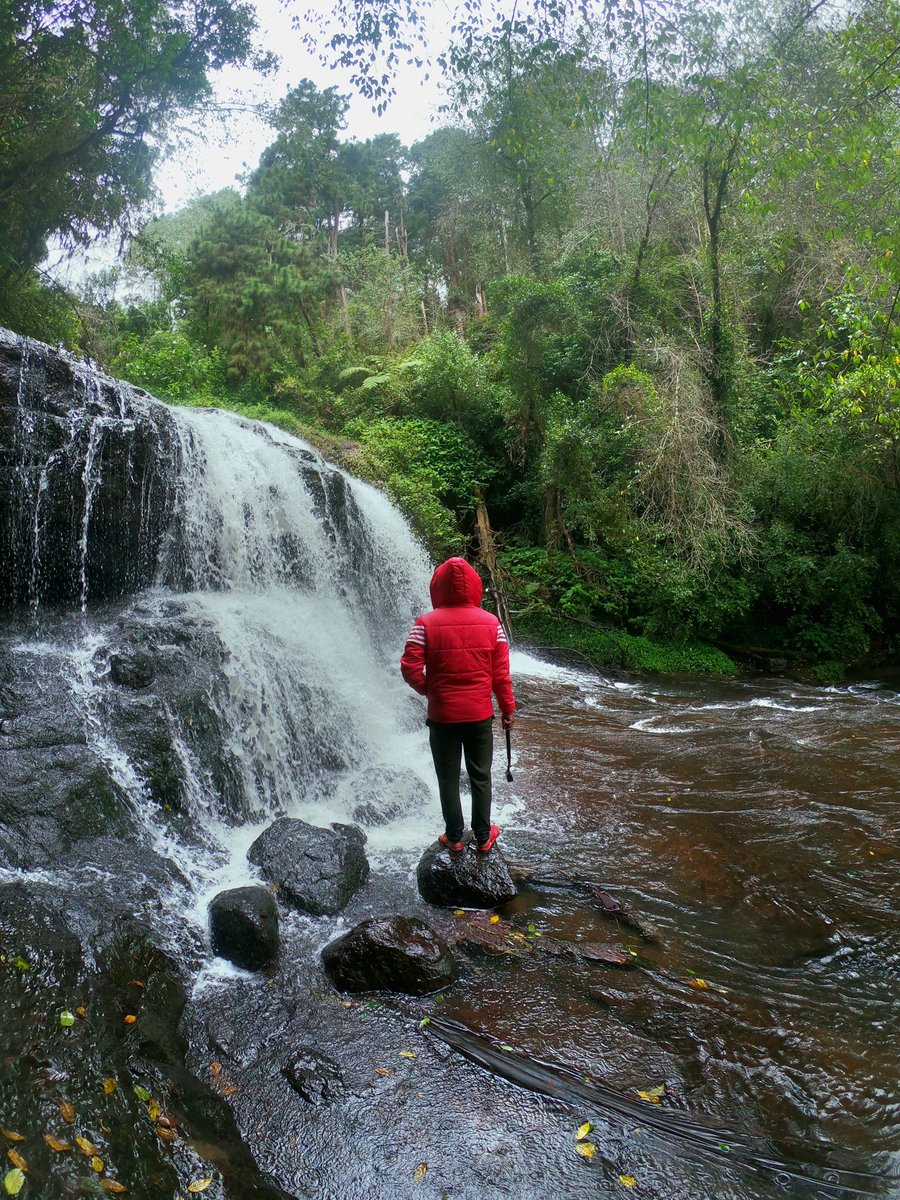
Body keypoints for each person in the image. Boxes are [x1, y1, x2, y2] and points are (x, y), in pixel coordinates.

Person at [400, 556, 515, 854]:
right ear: (475, 587)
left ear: (437, 587)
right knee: (481, 776)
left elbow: (410, 668)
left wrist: (431, 691)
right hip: (479, 715)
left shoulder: (424, 624)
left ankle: (454, 838)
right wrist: (507, 709)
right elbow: (501, 675)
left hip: (442, 716)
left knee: (448, 777)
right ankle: (482, 836)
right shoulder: (493, 624)